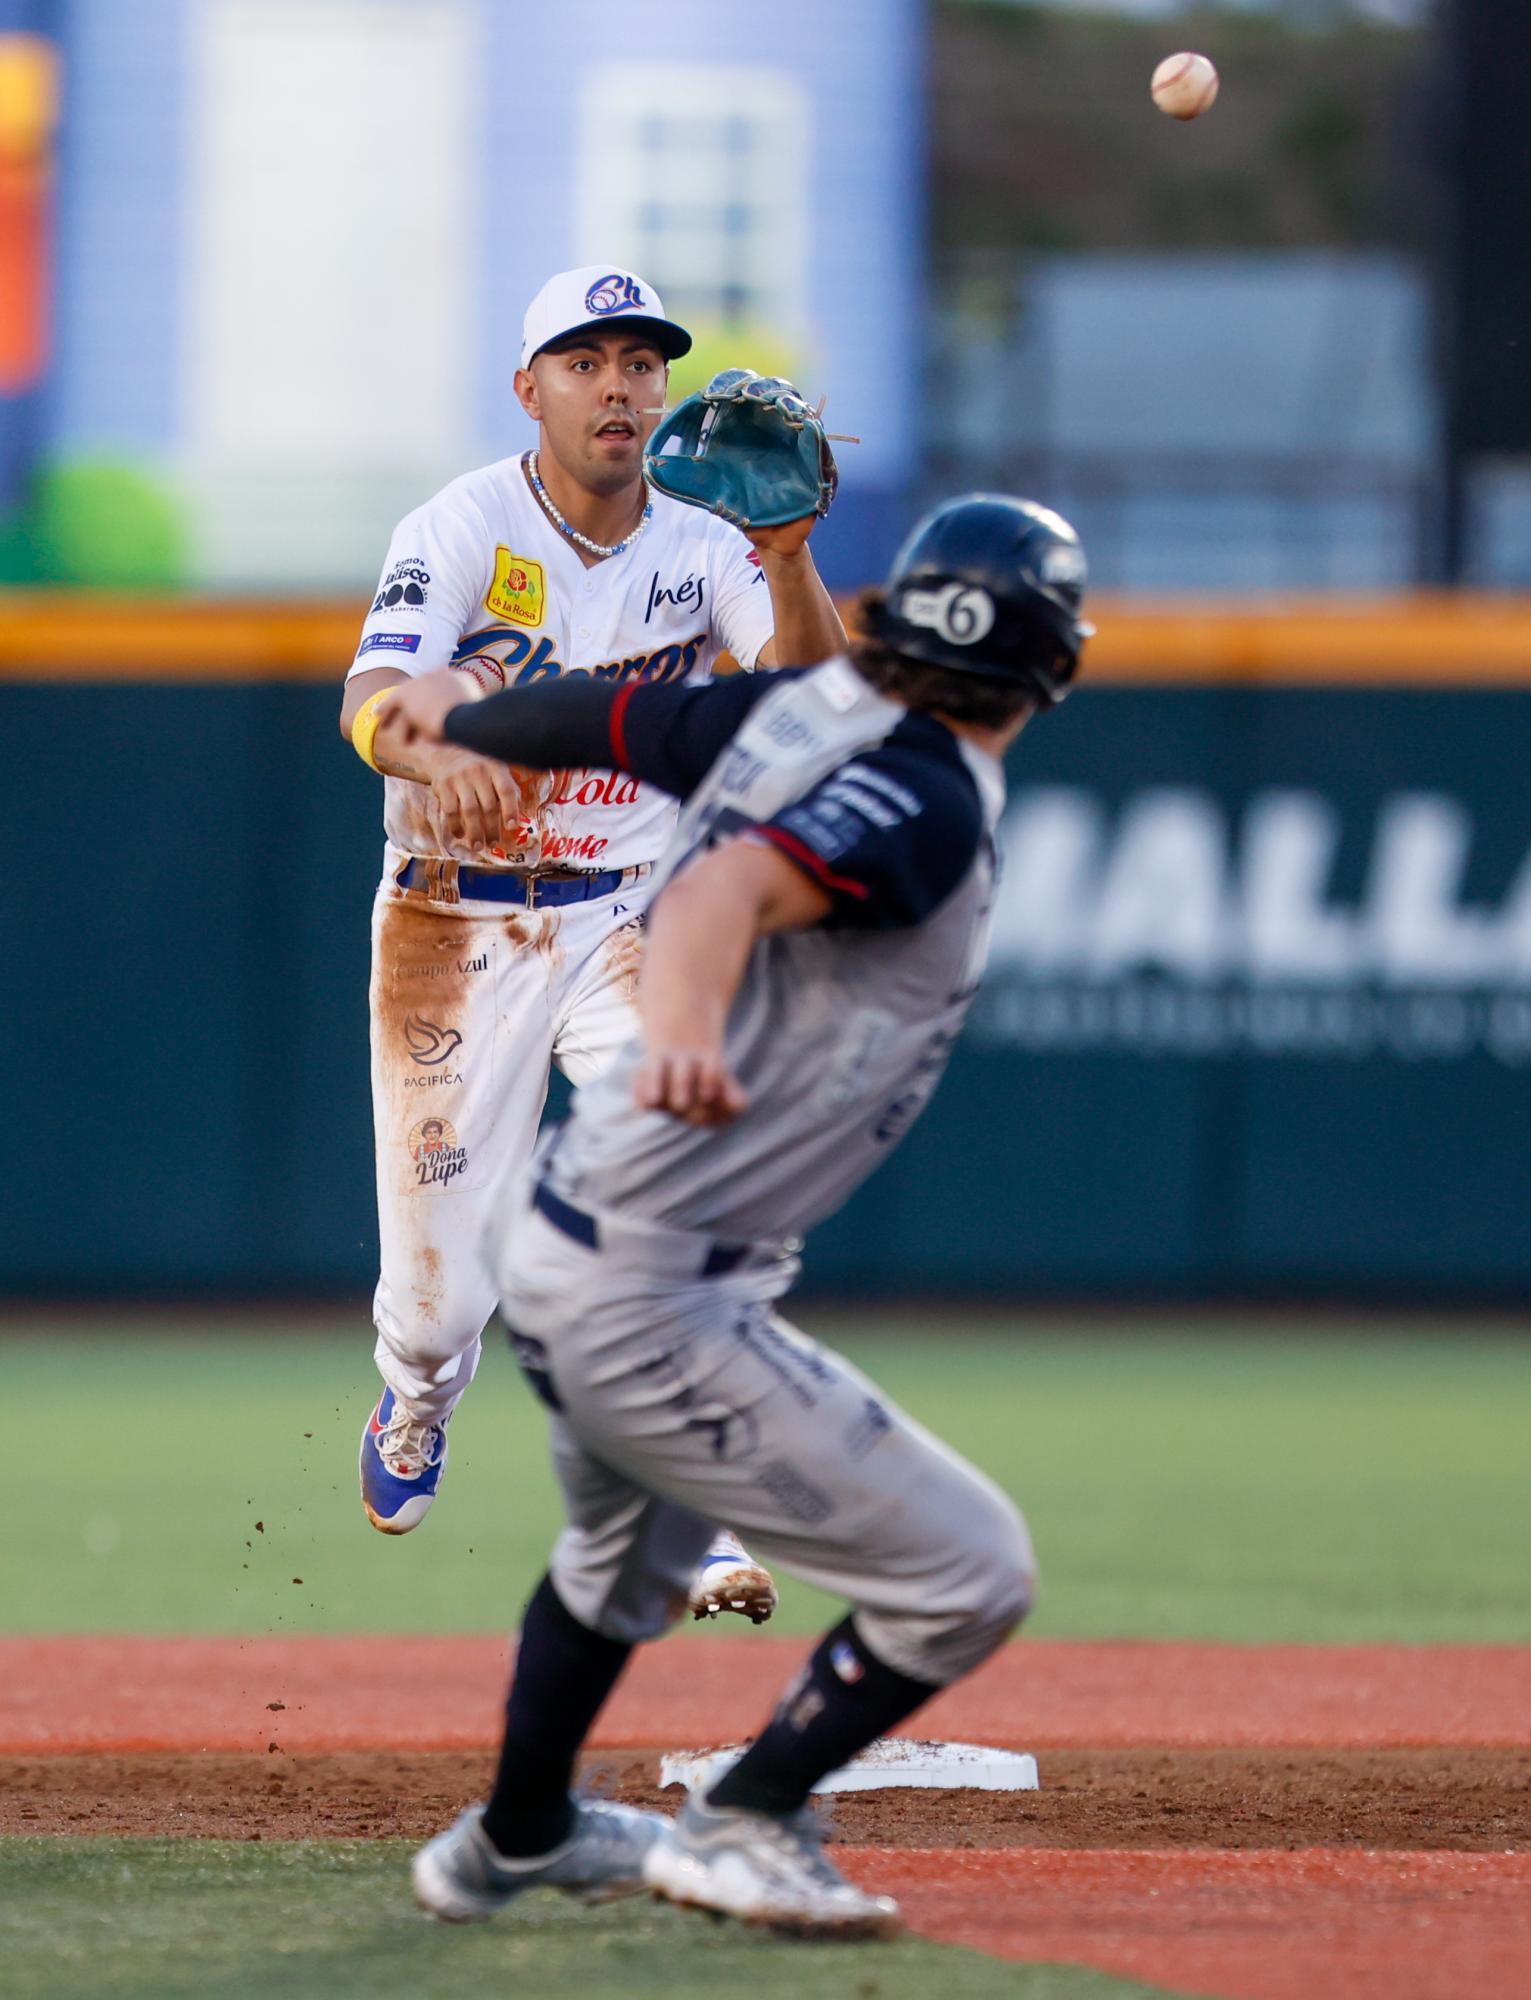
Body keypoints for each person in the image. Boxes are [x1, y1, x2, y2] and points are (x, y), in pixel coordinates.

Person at [375, 493, 1093, 1936]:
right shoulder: (928, 791)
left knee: (614, 1569)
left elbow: (603, 721)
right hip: (660, 1294)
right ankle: (746, 1822)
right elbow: (712, 900)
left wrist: (439, 723)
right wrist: (685, 1025)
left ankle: (508, 1839)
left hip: (586, 1251)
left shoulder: (796, 706)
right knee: (972, 1575)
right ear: (1051, 665)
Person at [340, 263, 845, 1627]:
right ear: (532, 387)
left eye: (641, 361)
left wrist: (791, 557)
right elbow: (374, 700)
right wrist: (430, 746)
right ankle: (415, 1400)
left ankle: (710, 1519)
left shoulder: (707, 540)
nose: (618, 384)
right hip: (454, 915)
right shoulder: (460, 526)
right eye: (586, 360)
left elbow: (811, 698)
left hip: (631, 913)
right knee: (440, 1314)